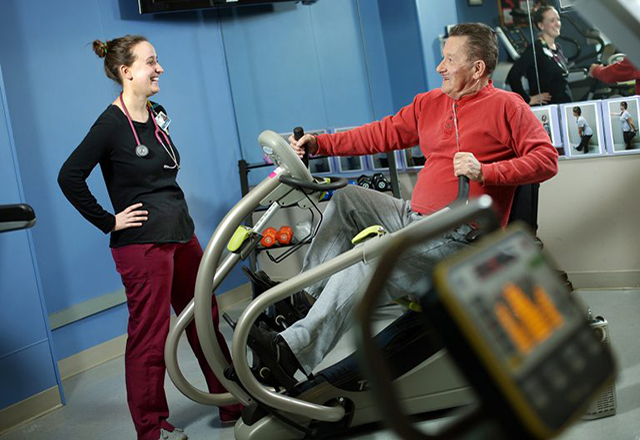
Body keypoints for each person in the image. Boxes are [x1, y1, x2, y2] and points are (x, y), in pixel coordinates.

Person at [250, 23, 558, 387]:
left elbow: (546, 159)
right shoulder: (430, 103)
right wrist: (320, 144)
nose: (440, 67)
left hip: (462, 235)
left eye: (449, 60)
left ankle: (293, 351)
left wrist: (485, 170)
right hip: (413, 218)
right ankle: (304, 300)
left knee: (372, 258)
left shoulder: (507, 106)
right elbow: (380, 133)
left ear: (477, 68)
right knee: (348, 198)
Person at [57, 35, 241, 440]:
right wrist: (108, 220)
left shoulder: (157, 113)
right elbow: (69, 177)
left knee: (204, 320)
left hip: (180, 232)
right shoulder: (109, 125)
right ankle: (151, 427)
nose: (159, 69)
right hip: (143, 246)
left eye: (158, 61)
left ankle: (230, 401)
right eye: (151, 62)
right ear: (126, 71)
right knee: (150, 333)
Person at [507, 6, 573, 105]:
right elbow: (513, 76)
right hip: (548, 109)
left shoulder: (558, 48)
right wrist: (527, 100)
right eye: (552, 21)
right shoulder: (535, 49)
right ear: (541, 25)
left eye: (558, 19)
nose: (557, 24)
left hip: (565, 105)